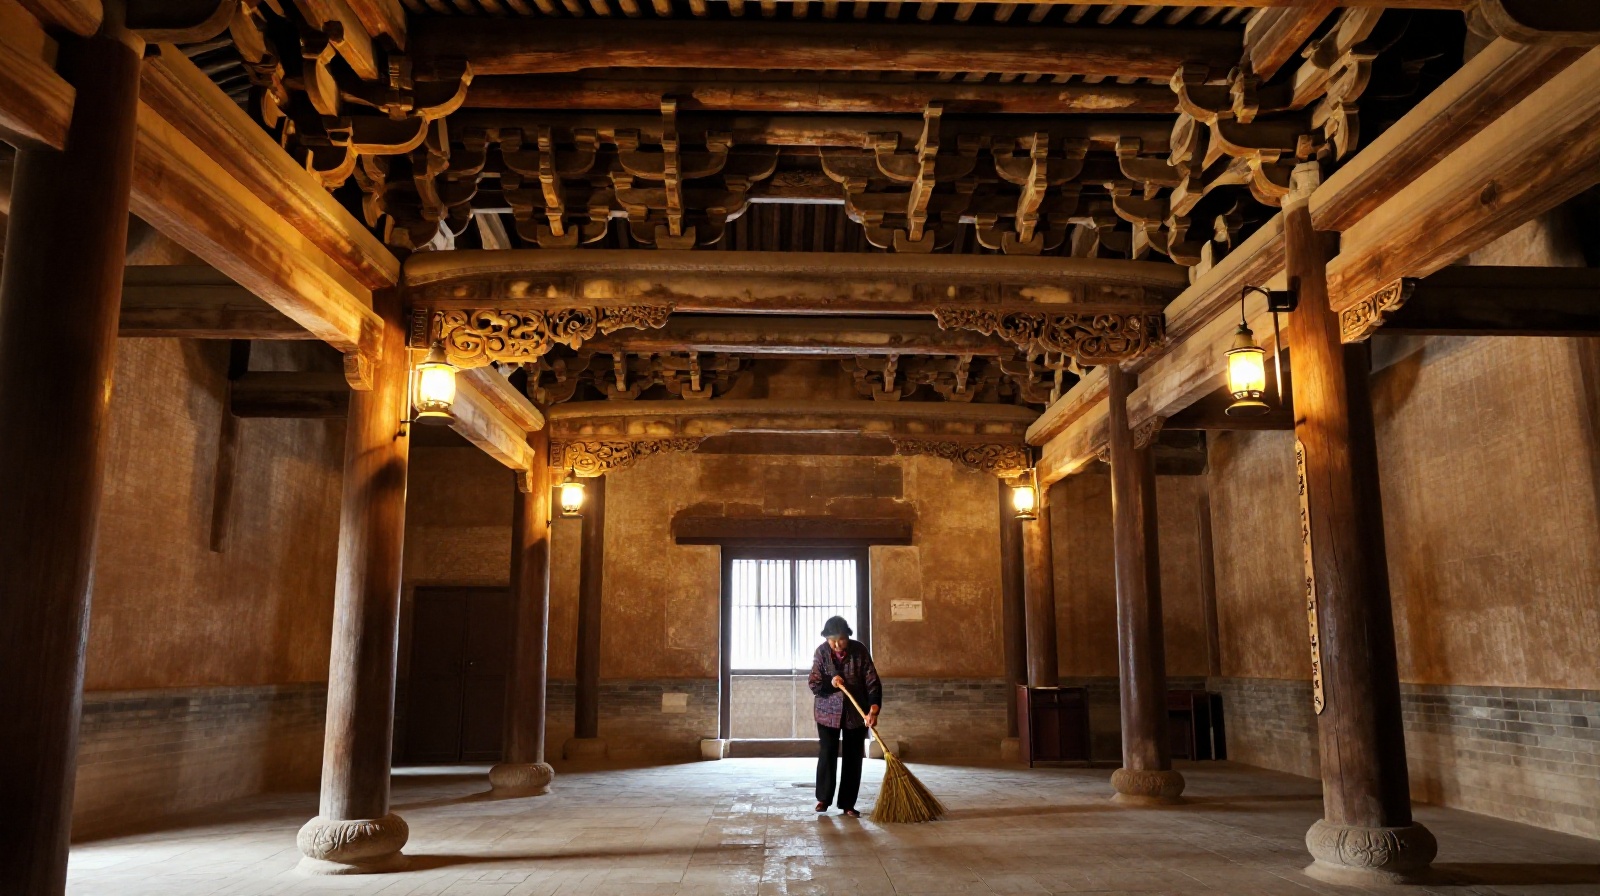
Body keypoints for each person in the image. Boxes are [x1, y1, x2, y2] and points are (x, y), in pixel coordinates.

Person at [807, 615, 881, 818]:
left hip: (855, 713)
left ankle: (848, 803)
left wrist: (873, 709)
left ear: (847, 637)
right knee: (827, 752)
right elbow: (814, 683)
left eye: (841, 639)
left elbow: (872, 681)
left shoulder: (860, 651)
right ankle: (823, 798)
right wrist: (830, 683)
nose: (837, 644)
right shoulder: (822, 652)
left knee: (853, 757)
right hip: (827, 713)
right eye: (832, 640)